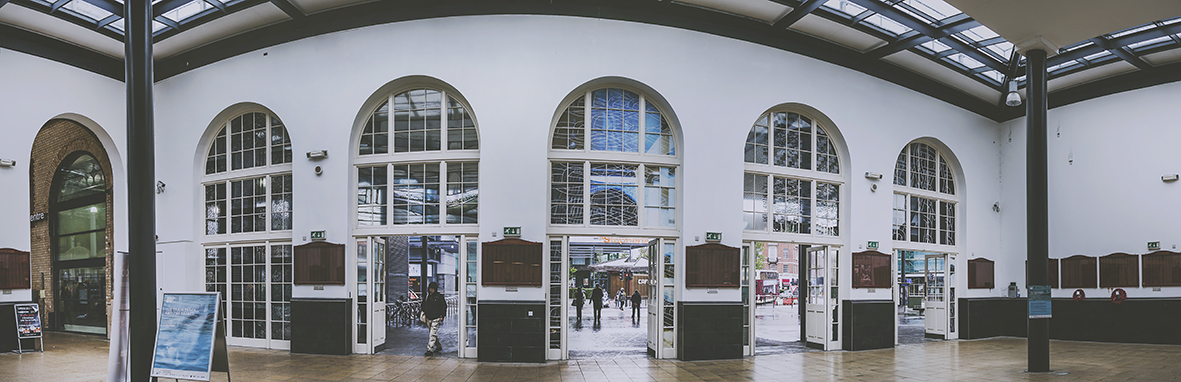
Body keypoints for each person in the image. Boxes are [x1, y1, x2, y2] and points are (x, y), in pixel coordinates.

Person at [423, 282, 447, 356]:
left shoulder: (438, 297)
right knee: (432, 333)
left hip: (435, 317)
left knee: (432, 333)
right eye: (430, 289)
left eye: (432, 289)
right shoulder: (428, 296)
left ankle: (430, 349)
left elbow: (443, 306)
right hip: (429, 317)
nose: (431, 290)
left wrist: (442, 315)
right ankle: (438, 346)